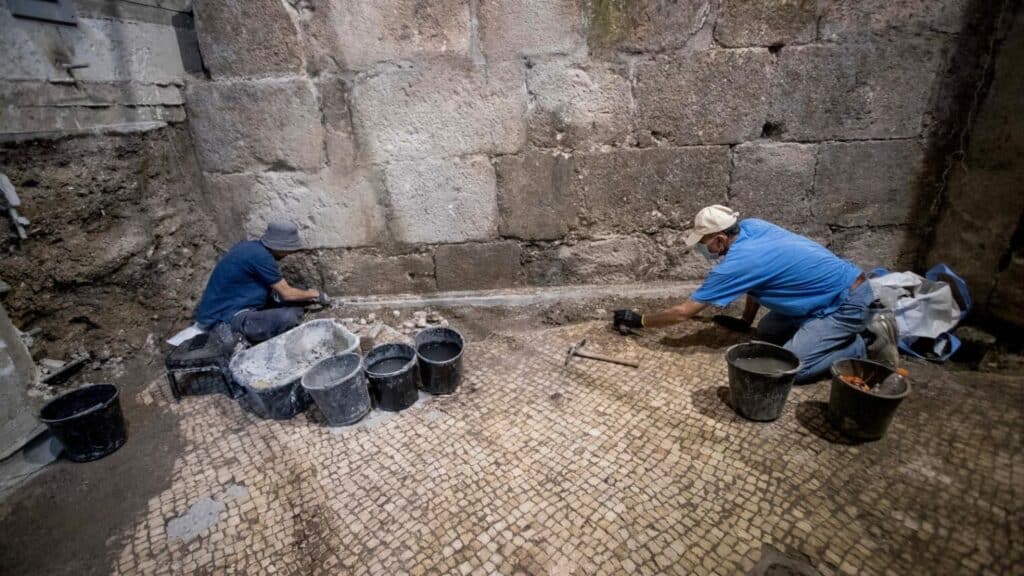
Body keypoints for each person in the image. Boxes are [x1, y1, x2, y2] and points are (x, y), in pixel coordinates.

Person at [613, 205, 873, 382]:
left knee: (786, 372)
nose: (703, 249)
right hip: (822, 295)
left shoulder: (737, 264)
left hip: (845, 301)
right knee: (767, 332)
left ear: (721, 238)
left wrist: (641, 320)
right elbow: (757, 282)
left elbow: (683, 313)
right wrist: (745, 321)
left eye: (704, 243)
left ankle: (856, 346)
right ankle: (826, 335)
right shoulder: (752, 227)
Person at [195, 221, 329, 343]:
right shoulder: (261, 257)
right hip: (225, 318)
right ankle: (238, 331)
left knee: (299, 293)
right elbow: (287, 294)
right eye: (288, 250)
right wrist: (315, 294)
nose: (289, 254)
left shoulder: (250, 247)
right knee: (289, 317)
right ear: (280, 246)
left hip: (232, 304)